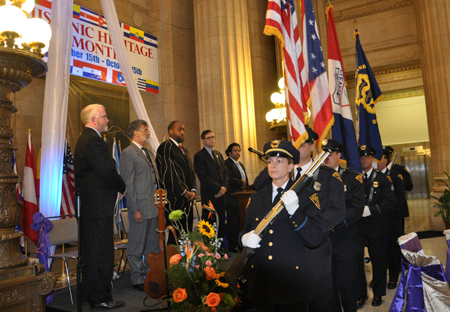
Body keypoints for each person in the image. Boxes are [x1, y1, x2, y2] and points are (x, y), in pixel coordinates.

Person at [253, 128, 346, 312]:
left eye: (302, 143)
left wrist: (313, 228)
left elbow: (337, 211)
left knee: (320, 301)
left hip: (314, 249)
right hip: (286, 251)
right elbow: (258, 187)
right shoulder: (279, 172)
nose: (298, 146)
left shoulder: (327, 176)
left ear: (312, 146)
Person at [239, 139, 325, 312]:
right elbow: (244, 230)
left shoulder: (306, 197)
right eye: (270, 161)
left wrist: (295, 212)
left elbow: (315, 239)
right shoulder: (256, 199)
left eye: (280, 161)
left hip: (292, 284)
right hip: (262, 284)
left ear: (291, 166)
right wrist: (243, 238)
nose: (273, 165)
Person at [74, 104, 126, 309]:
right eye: (104, 117)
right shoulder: (93, 140)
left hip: (91, 207)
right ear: (94, 120)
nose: (107, 120)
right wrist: (122, 186)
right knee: (101, 252)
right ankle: (102, 297)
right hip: (97, 207)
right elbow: (107, 169)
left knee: (92, 252)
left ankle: (91, 295)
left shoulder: (85, 139)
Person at [322, 140, 365, 312]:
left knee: (346, 283)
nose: (326, 158)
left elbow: (356, 208)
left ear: (339, 156)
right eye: (323, 154)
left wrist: (334, 223)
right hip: (323, 239)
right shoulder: (316, 179)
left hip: (344, 237)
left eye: (330, 154)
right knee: (328, 285)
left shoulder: (352, 178)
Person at [120, 119, 160, 291]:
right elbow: (128, 183)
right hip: (140, 208)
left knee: (152, 245)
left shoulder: (148, 153)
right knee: (137, 245)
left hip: (153, 206)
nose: (148, 133)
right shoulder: (128, 153)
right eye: (145, 130)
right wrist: (135, 209)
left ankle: (152, 274)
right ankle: (137, 278)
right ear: (136, 132)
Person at [356, 146, 395, 308]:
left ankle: (378, 293)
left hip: (377, 226)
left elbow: (389, 201)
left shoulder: (383, 179)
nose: (364, 159)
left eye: (367, 157)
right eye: (361, 157)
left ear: (372, 159)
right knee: (357, 262)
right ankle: (361, 294)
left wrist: (371, 210)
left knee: (378, 261)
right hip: (357, 227)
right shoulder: (354, 179)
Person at [156, 121, 196, 243]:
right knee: (175, 234)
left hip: (187, 200)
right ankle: (174, 261)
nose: (183, 132)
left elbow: (191, 172)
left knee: (186, 232)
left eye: (183, 129)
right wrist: (184, 191)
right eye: (179, 129)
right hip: (174, 199)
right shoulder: (165, 147)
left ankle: (187, 259)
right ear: (171, 131)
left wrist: (193, 190)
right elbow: (168, 173)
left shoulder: (185, 150)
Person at [377, 147, 405, 290]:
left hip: (392, 218)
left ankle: (394, 277)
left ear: (386, 160)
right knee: (379, 251)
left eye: (379, 158)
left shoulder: (395, 176)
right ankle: (379, 278)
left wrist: (385, 207)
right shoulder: (372, 177)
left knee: (393, 249)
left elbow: (400, 196)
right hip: (377, 220)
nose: (376, 161)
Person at [193, 130, 228, 240]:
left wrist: (224, 188)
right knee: (210, 223)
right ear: (203, 140)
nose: (212, 139)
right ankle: (210, 250)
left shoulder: (218, 154)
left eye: (213, 137)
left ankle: (221, 249)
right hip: (210, 195)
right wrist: (218, 189)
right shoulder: (199, 156)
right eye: (209, 138)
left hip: (221, 196)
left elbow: (225, 173)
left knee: (221, 222)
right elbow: (203, 176)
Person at [224, 142, 248, 252]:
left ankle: (240, 244)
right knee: (233, 222)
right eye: (235, 150)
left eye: (239, 150)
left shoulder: (240, 165)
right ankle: (233, 245)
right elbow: (228, 179)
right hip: (232, 198)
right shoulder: (227, 163)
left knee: (240, 222)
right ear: (229, 153)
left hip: (241, 198)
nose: (238, 152)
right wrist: (241, 182)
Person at [385, 145, 414, 234]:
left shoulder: (400, 169)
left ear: (391, 155)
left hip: (398, 208)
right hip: (383, 209)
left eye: (386, 155)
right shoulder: (376, 170)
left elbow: (409, 186)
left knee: (398, 234)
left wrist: (397, 182)